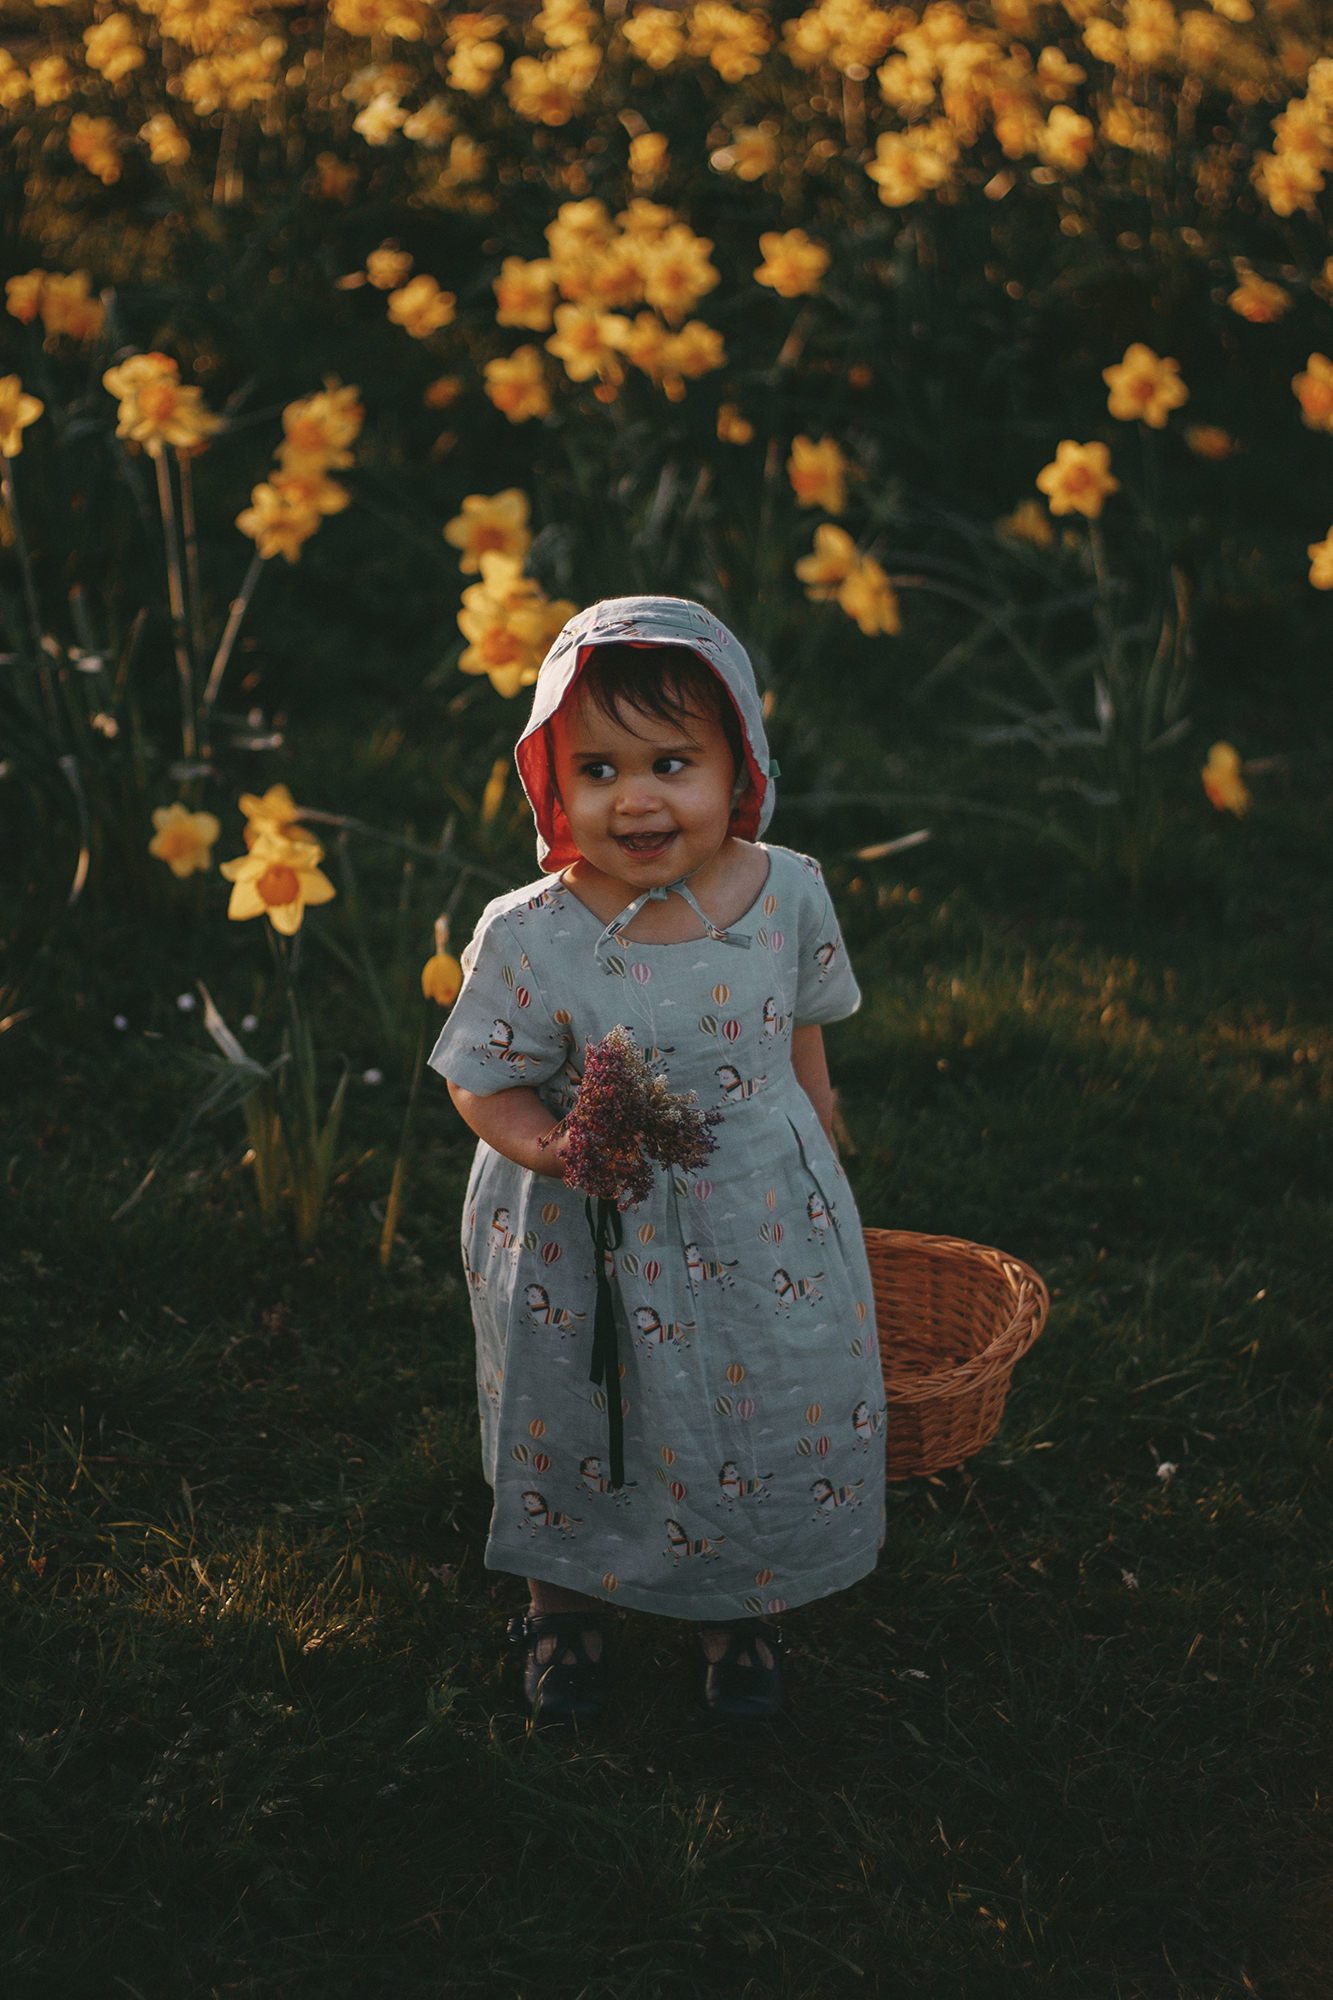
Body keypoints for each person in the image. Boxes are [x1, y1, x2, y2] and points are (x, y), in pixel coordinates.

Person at [429, 596, 886, 1724]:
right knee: (578, 1405)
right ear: (550, 782)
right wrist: (550, 1145)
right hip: (584, 1227)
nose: (635, 797)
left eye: (673, 761)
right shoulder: (531, 930)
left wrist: (823, 1139)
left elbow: (801, 1028)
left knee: (759, 1400)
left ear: (741, 766)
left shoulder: (784, 892)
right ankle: (563, 1605)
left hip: (755, 1212)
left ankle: (742, 1603)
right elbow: (481, 1076)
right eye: (596, 767)